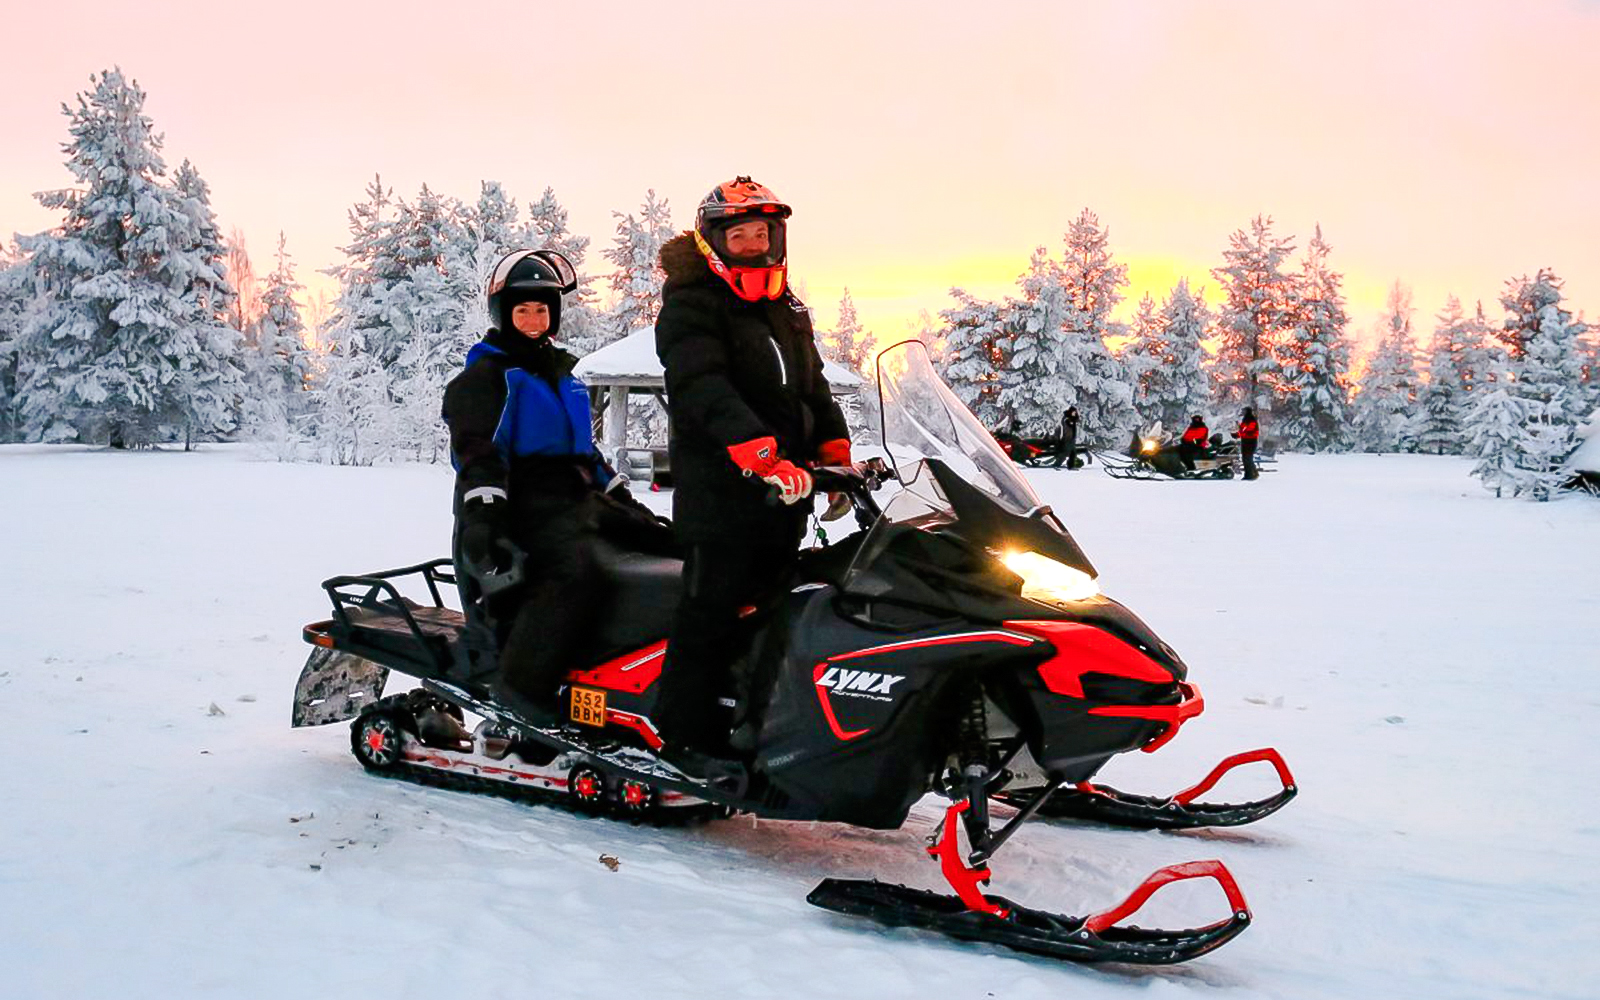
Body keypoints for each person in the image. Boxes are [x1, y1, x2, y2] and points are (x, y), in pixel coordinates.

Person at [654, 176, 851, 773]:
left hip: (783, 490)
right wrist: (753, 449)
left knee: (779, 610)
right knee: (712, 608)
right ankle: (682, 735)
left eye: (760, 233)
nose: (752, 244)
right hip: (721, 491)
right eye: (739, 234)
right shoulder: (692, 304)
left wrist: (835, 451)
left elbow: (811, 386)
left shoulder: (786, 308)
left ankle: (762, 719)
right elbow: (700, 385)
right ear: (716, 240)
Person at [442, 248, 635, 724]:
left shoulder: (562, 374)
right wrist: (484, 514)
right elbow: (476, 450)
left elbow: (582, 450)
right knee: (575, 571)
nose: (533, 319)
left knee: (659, 546)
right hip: (520, 502)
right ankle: (522, 683)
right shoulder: (488, 376)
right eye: (522, 310)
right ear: (503, 314)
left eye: (542, 309)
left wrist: (619, 495)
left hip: (574, 497)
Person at [1236, 406, 1260, 480]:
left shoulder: (1251, 420)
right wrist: (1237, 434)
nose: (1242, 413)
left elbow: (1248, 430)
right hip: (1245, 441)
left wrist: (1241, 432)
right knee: (1246, 458)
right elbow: (1243, 430)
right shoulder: (1245, 420)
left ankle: (1249, 475)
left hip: (1250, 442)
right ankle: (1253, 473)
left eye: (1244, 411)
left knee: (1247, 458)